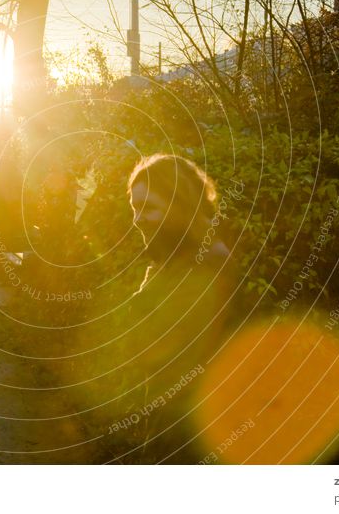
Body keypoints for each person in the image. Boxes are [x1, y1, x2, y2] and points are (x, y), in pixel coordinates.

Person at [91, 154, 239, 463]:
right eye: (135, 208)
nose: (138, 219)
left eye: (150, 208)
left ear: (180, 207)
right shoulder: (169, 256)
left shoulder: (206, 264)